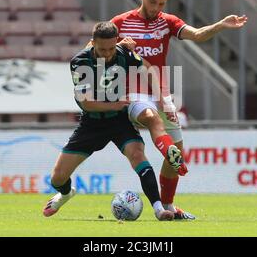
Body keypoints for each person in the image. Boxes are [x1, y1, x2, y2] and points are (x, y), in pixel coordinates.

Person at [111, 0, 248, 220]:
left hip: (161, 93)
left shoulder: (167, 22)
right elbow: (97, 45)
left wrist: (220, 25)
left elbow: (196, 34)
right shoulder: (121, 22)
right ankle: (166, 152)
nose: (156, 8)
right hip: (132, 92)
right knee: (150, 117)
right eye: (152, 2)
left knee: (177, 154)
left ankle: (168, 207)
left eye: (161, 4)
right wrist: (118, 49)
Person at [42, 21, 175, 221]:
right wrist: (115, 104)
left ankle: (159, 209)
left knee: (138, 155)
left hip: (119, 121)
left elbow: (148, 69)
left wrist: (162, 99)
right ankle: (66, 193)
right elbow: (87, 103)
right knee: (57, 178)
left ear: (117, 42)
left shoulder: (124, 53)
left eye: (112, 48)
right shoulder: (80, 62)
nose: (107, 53)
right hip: (92, 124)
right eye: (102, 49)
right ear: (92, 43)